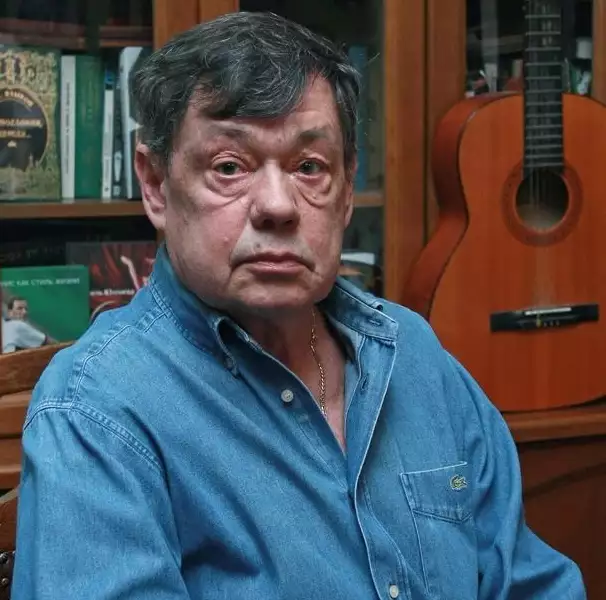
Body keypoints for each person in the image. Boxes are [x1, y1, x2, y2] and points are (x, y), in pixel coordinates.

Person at [13, 11, 586, 600]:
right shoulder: (98, 412)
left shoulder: (412, 352)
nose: (278, 206)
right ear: (156, 184)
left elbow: (533, 584)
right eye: (229, 167)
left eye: (309, 167)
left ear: (346, 189)